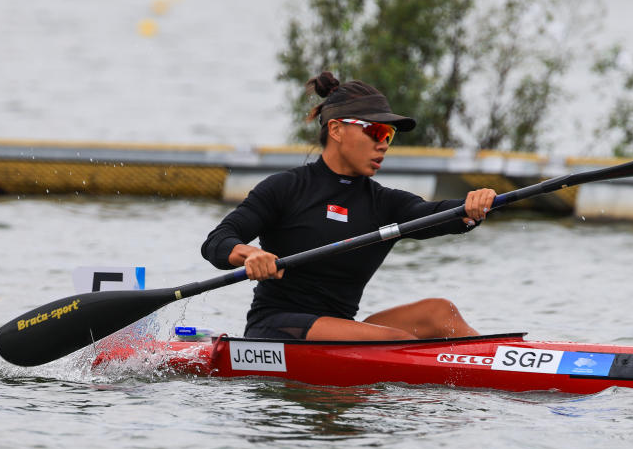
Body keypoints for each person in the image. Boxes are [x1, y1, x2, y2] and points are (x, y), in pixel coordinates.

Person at [201, 72, 496, 341]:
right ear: (337, 130)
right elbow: (217, 241)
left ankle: (500, 364)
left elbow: (439, 216)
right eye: (377, 132)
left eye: (389, 136)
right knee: (396, 342)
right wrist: (250, 254)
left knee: (439, 312)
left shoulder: (384, 203)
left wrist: (472, 207)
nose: (384, 145)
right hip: (276, 328)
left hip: (341, 330)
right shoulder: (286, 188)